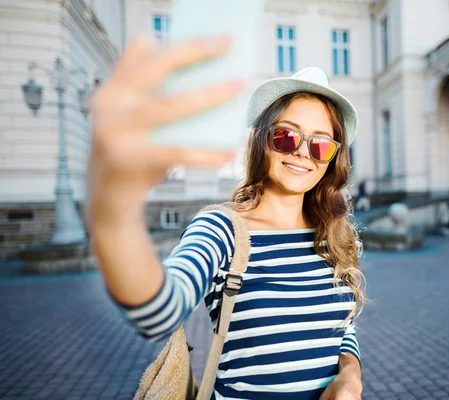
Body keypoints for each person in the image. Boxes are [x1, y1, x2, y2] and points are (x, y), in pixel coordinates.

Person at [87, 34, 365, 400]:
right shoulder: (223, 230)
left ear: (333, 158)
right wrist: (114, 214)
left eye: (320, 144)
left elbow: (343, 328)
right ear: (261, 140)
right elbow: (158, 311)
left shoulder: (333, 236)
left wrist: (349, 377)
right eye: (286, 136)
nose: (302, 153)